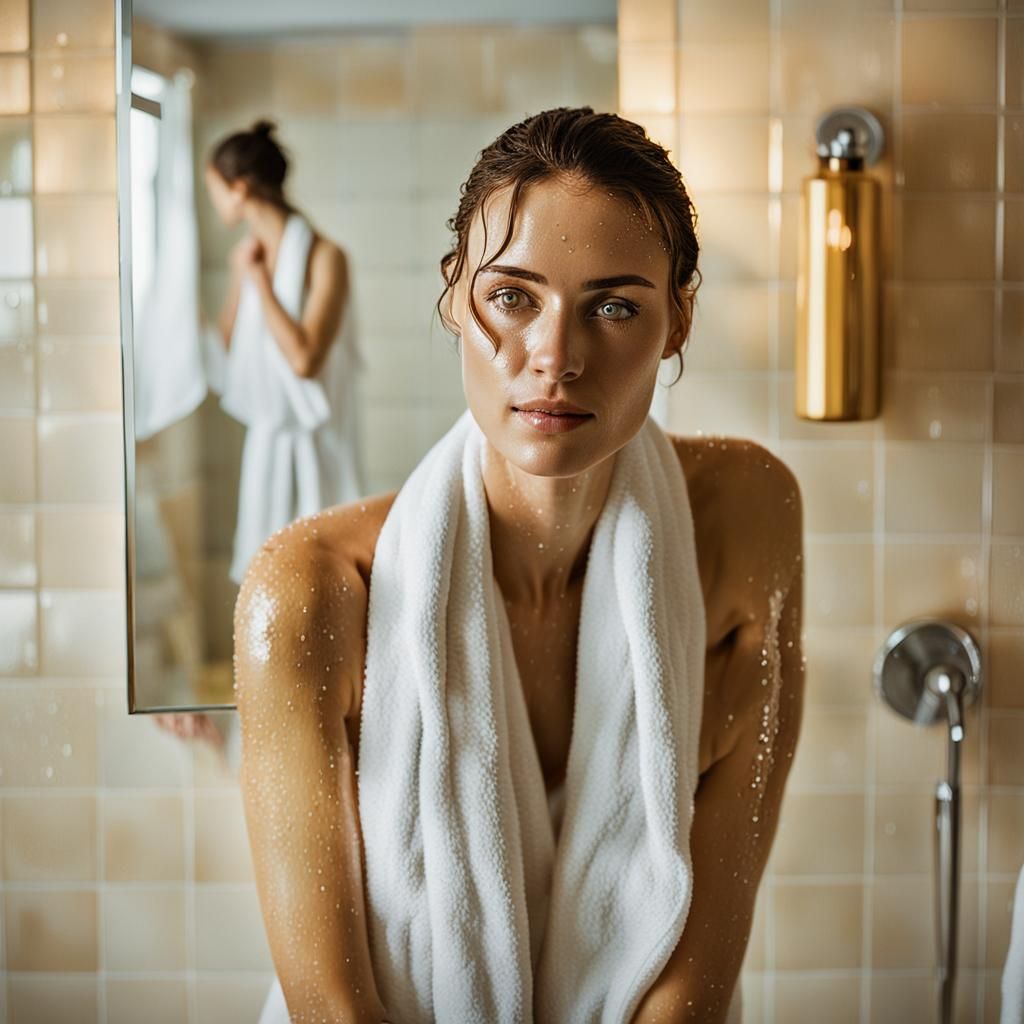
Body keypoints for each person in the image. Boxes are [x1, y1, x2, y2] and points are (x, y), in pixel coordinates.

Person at [232, 107, 806, 1024]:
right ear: (456, 295)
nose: (557, 358)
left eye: (615, 306)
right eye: (513, 297)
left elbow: (695, 988)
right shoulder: (310, 594)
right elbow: (333, 1010)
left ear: (678, 320)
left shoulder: (745, 518)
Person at [204, 119, 367, 587]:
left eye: (214, 188)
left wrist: (258, 281)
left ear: (238, 190)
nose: (215, 200)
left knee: (319, 581)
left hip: (319, 447)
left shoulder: (325, 257)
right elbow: (228, 347)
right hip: (268, 446)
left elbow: (304, 360)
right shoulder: (248, 256)